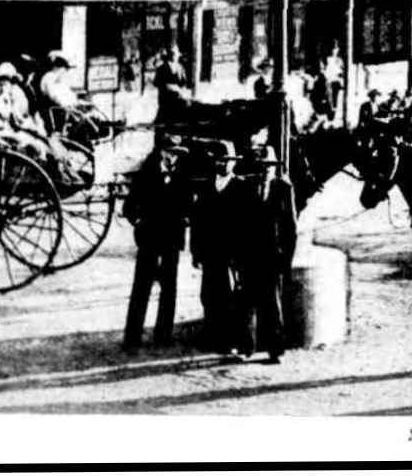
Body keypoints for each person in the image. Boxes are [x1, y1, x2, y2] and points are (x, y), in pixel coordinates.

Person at [229, 146, 296, 364]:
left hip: (272, 257)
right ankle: (245, 347)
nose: (266, 171)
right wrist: (236, 257)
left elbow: (290, 228)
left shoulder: (284, 188)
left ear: (275, 169)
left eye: (270, 167)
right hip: (249, 255)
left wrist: (286, 260)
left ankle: (275, 350)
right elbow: (237, 226)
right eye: (263, 167)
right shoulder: (245, 188)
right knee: (245, 303)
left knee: (272, 304)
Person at [122, 143, 192, 351]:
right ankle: (132, 338)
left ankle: (163, 335)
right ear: (162, 152)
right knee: (141, 288)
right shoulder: (146, 176)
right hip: (149, 242)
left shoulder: (182, 178)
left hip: (171, 242)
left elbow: (188, 205)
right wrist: (139, 223)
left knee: (169, 290)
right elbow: (128, 208)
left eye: (177, 154)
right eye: (170, 153)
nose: (173, 158)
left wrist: (185, 218)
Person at [190, 140, 240, 354]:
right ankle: (211, 335)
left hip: (231, 254)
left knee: (229, 297)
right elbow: (197, 222)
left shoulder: (241, 188)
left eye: (227, 161)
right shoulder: (206, 187)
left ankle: (229, 341)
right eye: (219, 161)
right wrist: (195, 251)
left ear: (233, 163)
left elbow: (246, 225)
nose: (223, 165)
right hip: (210, 253)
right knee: (209, 295)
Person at [153, 48, 190, 123]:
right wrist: (168, 86)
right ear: (169, 55)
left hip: (178, 98)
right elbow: (156, 83)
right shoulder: (161, 68)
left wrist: (180, 90)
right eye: (172, 54)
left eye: (176, 54)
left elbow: (183, 83)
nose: (174, 56)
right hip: (166, 99)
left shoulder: (180, 67)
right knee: (162, 122)